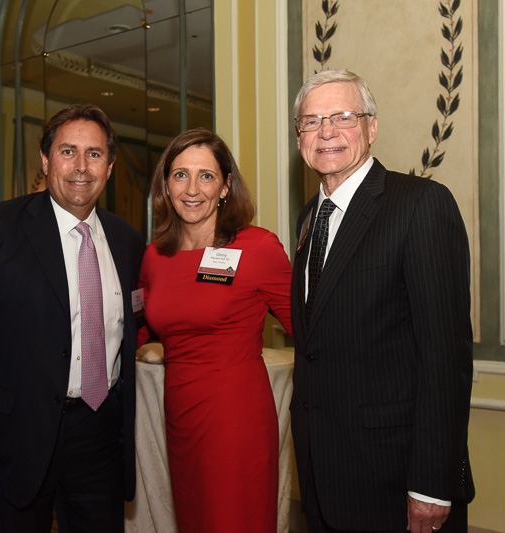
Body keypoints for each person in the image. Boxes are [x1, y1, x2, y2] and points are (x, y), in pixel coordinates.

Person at [0, 103, 145, 533]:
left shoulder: (126, 240)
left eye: (95, 154)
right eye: (68, 151)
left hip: (100, 438)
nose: (81, 167)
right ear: (45, 161)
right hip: (14, 442)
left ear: (110, 166)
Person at [289, 69, 475, 533]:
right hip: (322, 473)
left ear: (372, 127)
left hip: (395, 478)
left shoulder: (421, 205)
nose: (326, 131)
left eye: (342, 117)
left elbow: (445, 357)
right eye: (311, 122)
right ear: (299, 139)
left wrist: (432, 484)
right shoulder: (310, 217)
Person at [138, 128, 293, 532]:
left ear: (225, 186)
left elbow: (311, 331)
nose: (193, 188)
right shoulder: (155, 256)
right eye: (180, 175)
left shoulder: (257, 248)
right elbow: (140, 328)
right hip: (180, 417)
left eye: (206, 176)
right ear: (166, 186)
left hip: (236, 419)